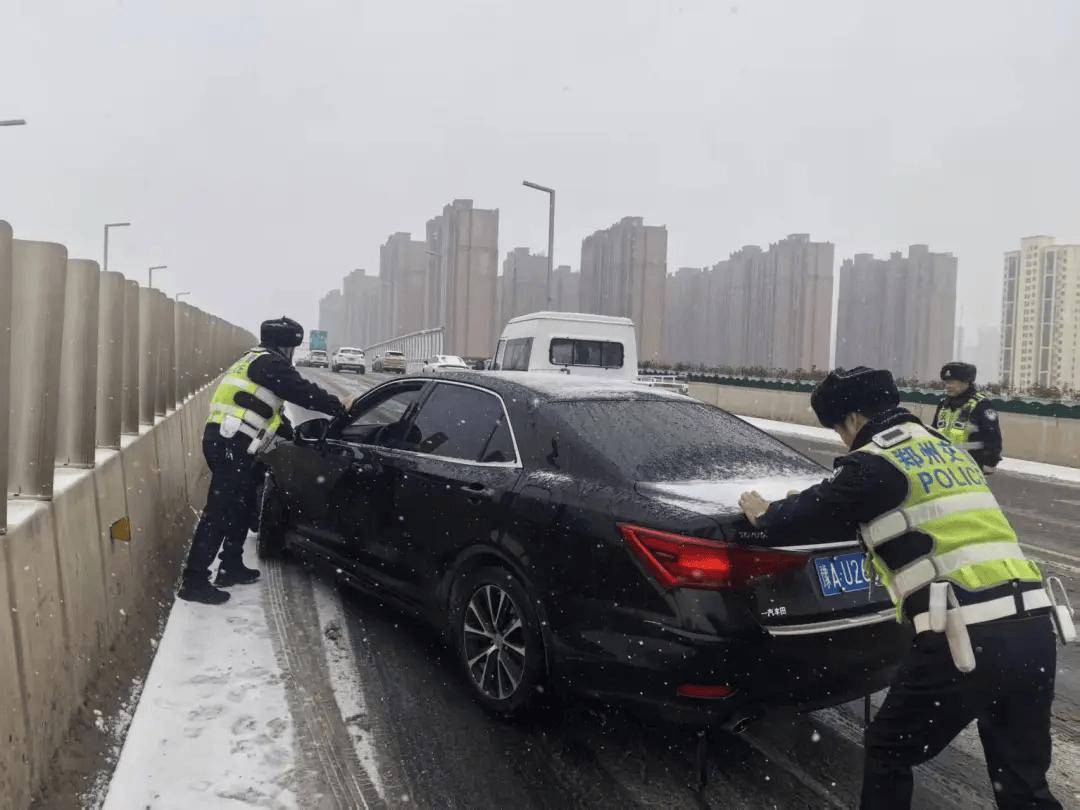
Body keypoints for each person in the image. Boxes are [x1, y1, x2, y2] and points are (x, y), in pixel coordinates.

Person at [738, 367, 1060, 809]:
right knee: (1022, 783)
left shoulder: (874, 461)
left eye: (836, 429)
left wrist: (766, 511)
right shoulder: (945, 449)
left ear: (851, 419)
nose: (841, 440)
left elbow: (799, 517)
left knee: (889, 749)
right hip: (1034, 628)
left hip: (965, 637)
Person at [178, 316, 349, 605]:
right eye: (292, 348)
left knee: (242, 502)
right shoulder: (270, 363)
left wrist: (292, 435)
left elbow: (268, 408)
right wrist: (338, 408)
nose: (293, 355)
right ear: (285, 346)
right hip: (231, 442)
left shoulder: (253, 359)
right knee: (220, 510)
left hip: (230, 441)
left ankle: (230, 565)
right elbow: (302, 391)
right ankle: (193, 580)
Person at [933, 361, 1003, 473]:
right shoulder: (943, 405)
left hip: (971, 469)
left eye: (952, 382)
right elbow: (934, 434)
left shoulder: (981, 404)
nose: (948, 386)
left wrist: (989, 462)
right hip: (943, 468)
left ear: (966, 382)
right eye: (946, 382)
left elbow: (993, 437)